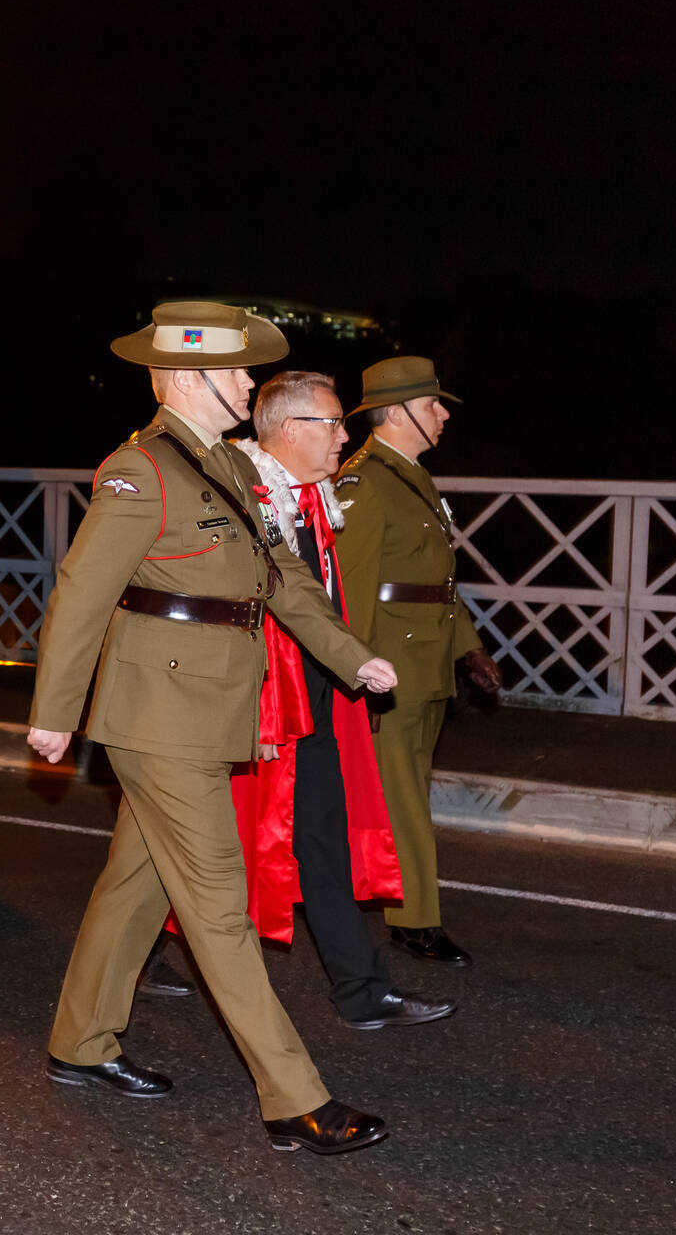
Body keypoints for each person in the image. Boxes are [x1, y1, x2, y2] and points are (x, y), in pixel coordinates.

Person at [26, 302, 402, 1156]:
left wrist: (351, 657)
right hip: (159, 714)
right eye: (236, 371)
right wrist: (55, 714)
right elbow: (82, 592)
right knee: (219, 908)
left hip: (208, 706)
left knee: (138, 885)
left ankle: (80, 1042)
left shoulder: (229, 464)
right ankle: (294, 1100)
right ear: (187, 378)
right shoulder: (140, 470)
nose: (247, 383)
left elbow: (283, 577)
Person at [153, 371, 454, 1031]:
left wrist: (354, 662)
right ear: (292, 430)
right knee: (186, 845)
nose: (345, 436)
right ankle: (133, 951)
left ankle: (361, 991)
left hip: (311, 695)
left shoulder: (317, 500)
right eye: (334, 423)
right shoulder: (244, 492)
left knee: (322, 837)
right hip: (250, 699)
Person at [334, 356, 501, 968]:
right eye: (433, 404)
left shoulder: (412, 476)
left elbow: (435, 581)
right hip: (390, 669)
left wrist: (468, 647)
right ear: (399, 413)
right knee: (401, 800)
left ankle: (363, 895)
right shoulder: (364, 482)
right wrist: (360, 674)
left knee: (403, 794)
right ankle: (415, 921)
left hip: (426, 663)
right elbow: (351, 590)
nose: (443, 414)